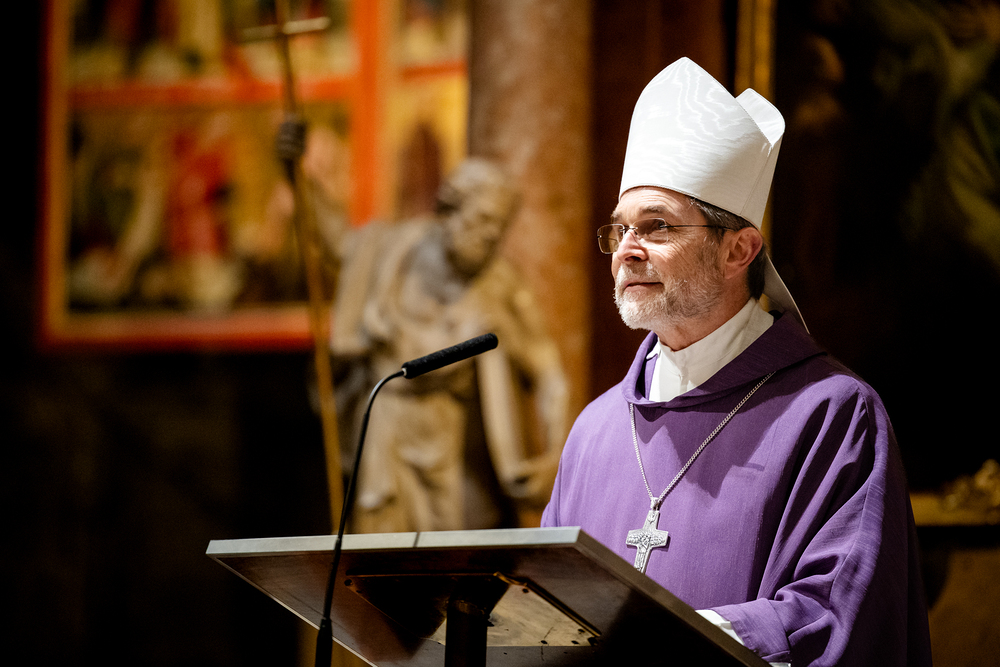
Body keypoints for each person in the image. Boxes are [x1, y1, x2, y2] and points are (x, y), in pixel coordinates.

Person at [540, 58, 932, 666]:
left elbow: (836, 618)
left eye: (656, 227)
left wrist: (665, 640)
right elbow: (539, 613)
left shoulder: (832, 415)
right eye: (618, 231)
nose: (627, 252)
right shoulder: (595, 430)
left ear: (738, 249)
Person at [330, 157, 568, 533]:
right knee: (381, 552)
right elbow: (334, 242)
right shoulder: (392, 251)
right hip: (388, 426)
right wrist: (298, 178)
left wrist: (557, 455)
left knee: (455, 552)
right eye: (481, 219)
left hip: (453, 439)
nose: (490, 235)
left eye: (500, 227)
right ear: (449, 211)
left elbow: (549, 372)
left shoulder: (500, 284)